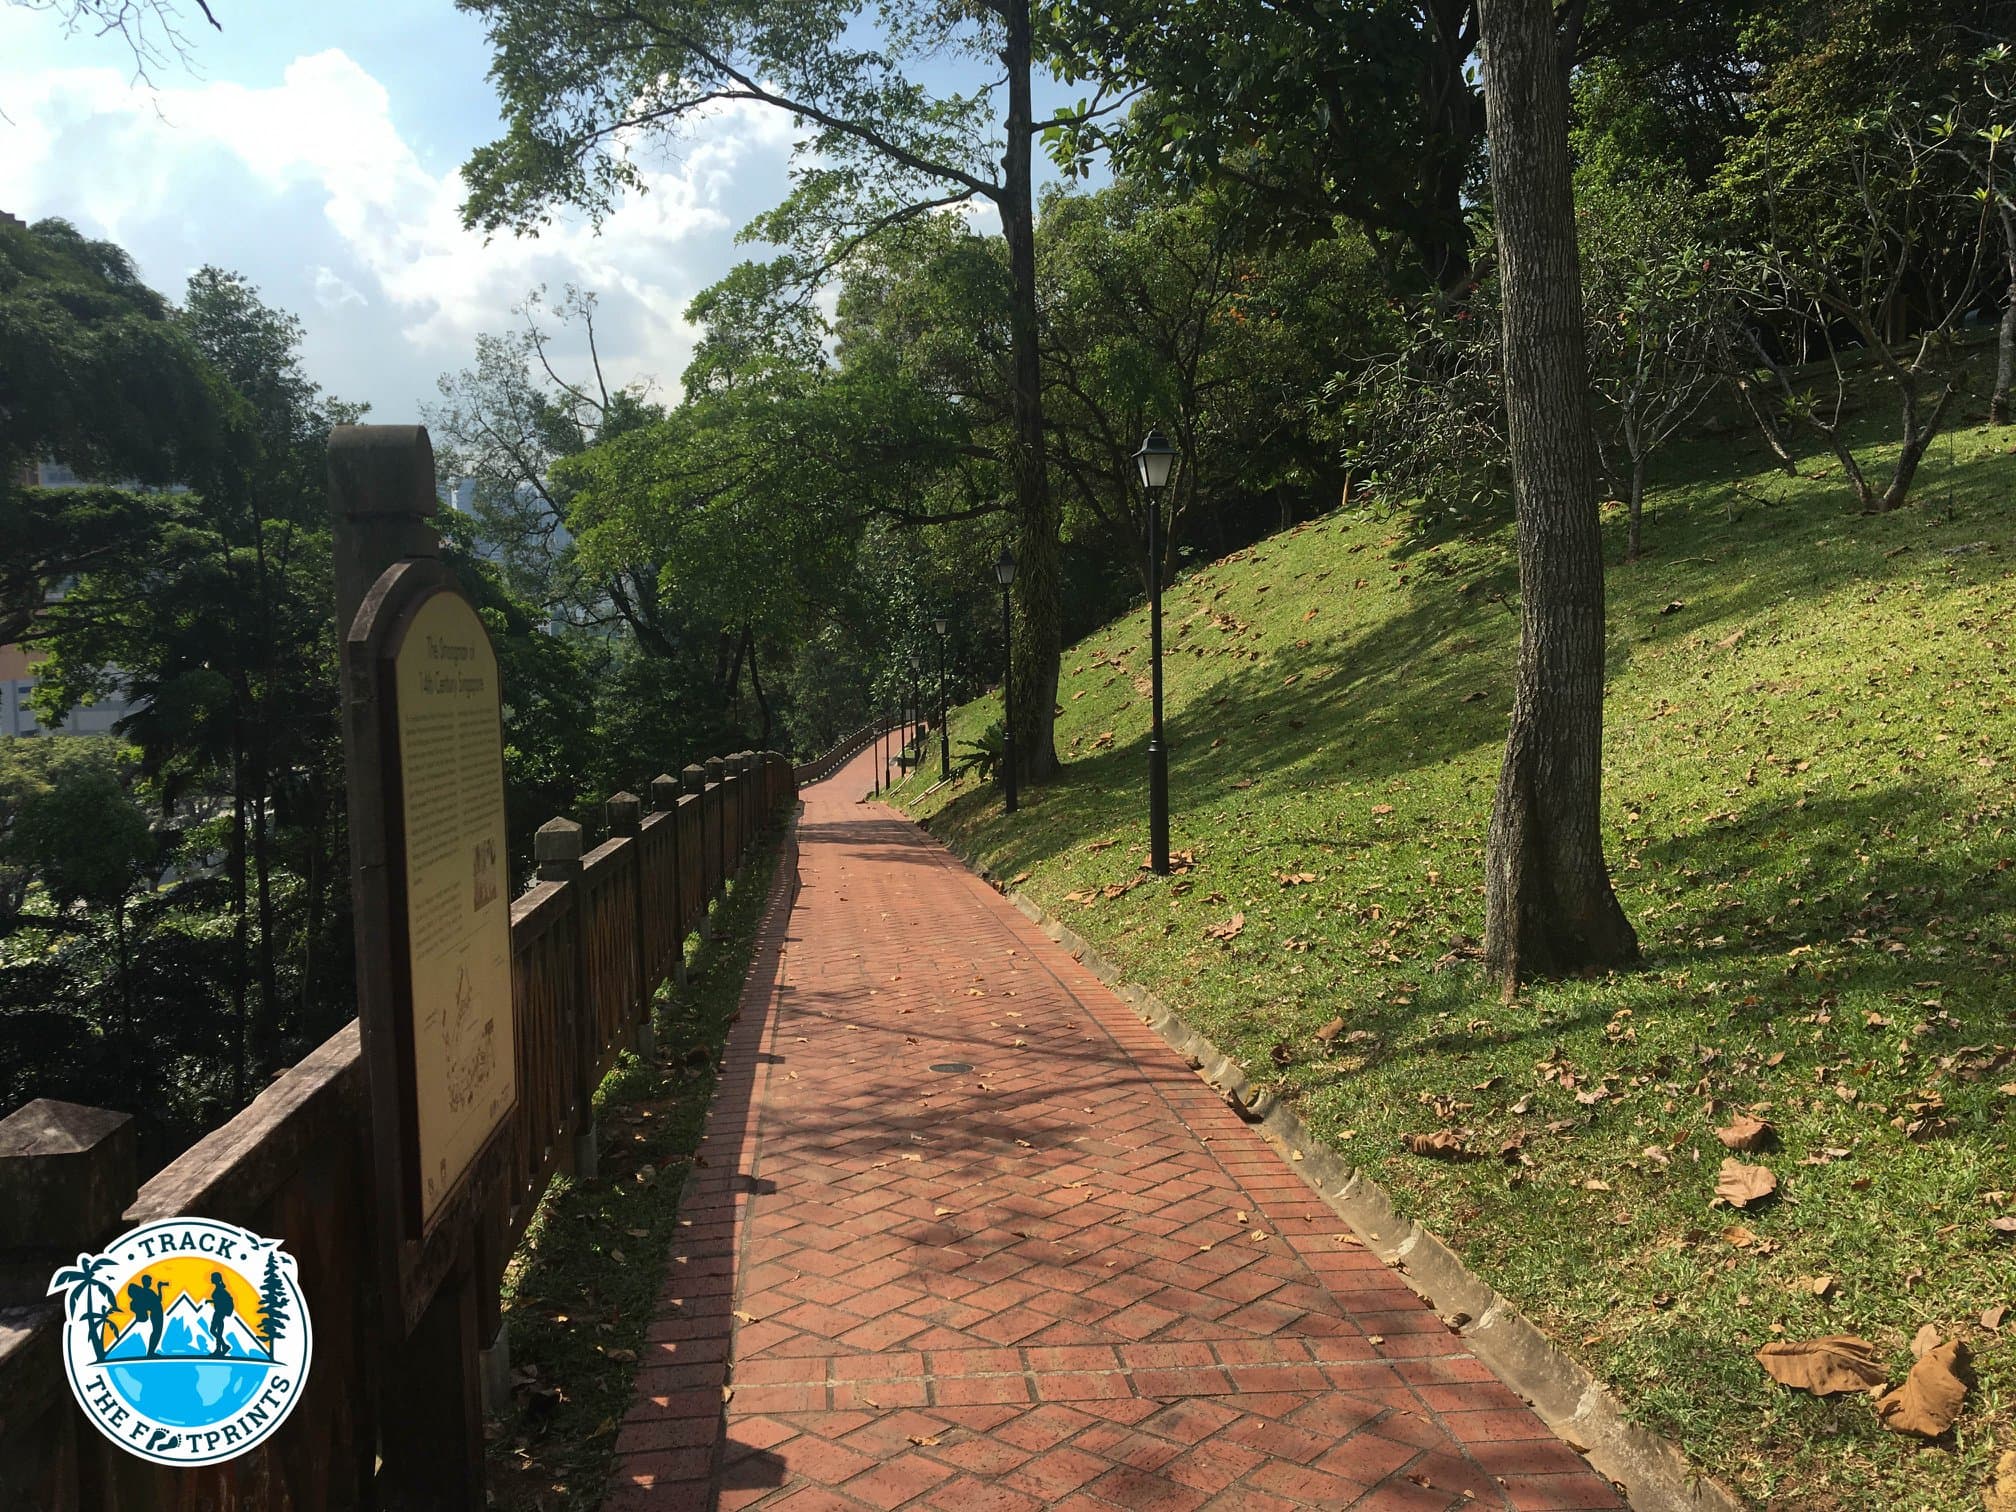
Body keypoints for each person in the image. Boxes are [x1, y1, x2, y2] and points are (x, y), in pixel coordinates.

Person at [126, 1276, 164, 1355]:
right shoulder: (147, 1292)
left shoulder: (146, 1292)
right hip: (156, 1313)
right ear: (145, 1282)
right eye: (149, 1281)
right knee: (156, 1333)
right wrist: (159, 1288)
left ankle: (151, 1352)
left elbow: (156, 1300)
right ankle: (150, 1352)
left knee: (156, 1332)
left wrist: (159, 1288)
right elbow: (158, 1300)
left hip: (157, 1313)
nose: (150, 1283)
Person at [207, 1272, 235, 1357]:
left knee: (213, 1330)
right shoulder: (219, 1288)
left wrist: (212, 1301)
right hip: (220, 1312)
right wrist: (210, 1301)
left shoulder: (219, 1289)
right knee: (218, 1332)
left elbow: (220, 1301)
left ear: (216, 1279)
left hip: (219, 1312)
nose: (211, 1279)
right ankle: (220, 1348)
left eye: (212, 1277)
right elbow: (219, 1300)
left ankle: (222, 1348)